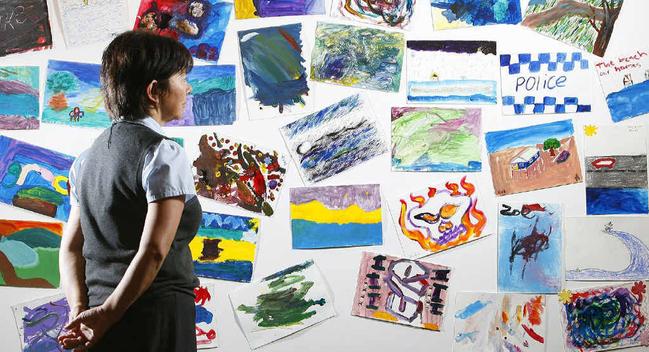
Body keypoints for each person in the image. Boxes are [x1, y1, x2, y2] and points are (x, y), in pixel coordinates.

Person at [57, 30, 200, 352]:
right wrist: (105, 315)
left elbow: (70, 248)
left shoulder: (85, 160)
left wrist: (81, 311)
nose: (188, 87)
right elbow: (153, 251)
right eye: (181, 77)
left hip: (100, 318)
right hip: (155, 315)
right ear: (154, 90)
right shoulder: (163, 153)